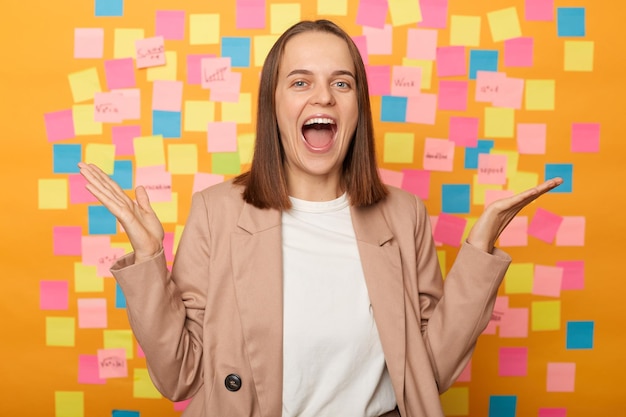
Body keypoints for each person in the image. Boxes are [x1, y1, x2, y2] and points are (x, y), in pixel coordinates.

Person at [79, 19, 562, 417]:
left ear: (357, 107)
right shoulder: (216, 212)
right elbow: (179, 376)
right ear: (274, 103)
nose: (324, 97)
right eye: (301, 81)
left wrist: (477, 257)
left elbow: (425, 373)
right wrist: (147, 260)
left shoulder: (403, 215)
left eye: (341, 83)